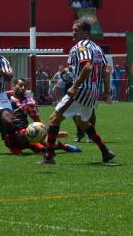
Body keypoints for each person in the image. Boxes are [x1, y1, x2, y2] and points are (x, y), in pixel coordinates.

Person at [40, 19, 116, 165]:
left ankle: (49, 156)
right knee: (82, 122)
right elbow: (106, 70)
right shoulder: (97, 48)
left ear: (86, 33)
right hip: (93, 93)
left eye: (76, 30)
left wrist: (75, 86)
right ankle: (105, 152)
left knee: (53, 119)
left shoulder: (81, 46)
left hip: (81, 90)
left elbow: (87, 67)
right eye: (72, 29)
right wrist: (107, 92)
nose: (73, 32)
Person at [0, 78, 80, 155]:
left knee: (44, 143)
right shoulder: (3, 97)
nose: (22, 88)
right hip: (10, 137)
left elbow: (37, 120)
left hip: (25, 134)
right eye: (20, 85)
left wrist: (52, 133)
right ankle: (15, 146)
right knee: (6, 119)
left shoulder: (28, 102)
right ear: (14, 86)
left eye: (25, 86)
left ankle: (64, 147)